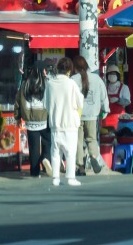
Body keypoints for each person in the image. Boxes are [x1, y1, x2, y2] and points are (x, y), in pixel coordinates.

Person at [44, 57, 83, 187]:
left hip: (55, 123)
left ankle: (55, 178)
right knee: (70, 152)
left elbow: (46, 104)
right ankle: (70, 177)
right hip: (70, 123)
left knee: (55, 152)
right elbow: (79, 102)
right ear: (69, 70)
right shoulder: (71, 84)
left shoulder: (50, 83)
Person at [71, 56, 108, 176]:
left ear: (75, 67)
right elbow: (104, 96)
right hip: (92, 115)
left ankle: (80, 166)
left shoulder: (73, 79)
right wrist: (105, 110)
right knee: (91, 139)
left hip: (77, 115)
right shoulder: (96, 79)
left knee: (78, 141)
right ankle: (93, 156)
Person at [14, 63, 53, 178]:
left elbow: (18, 102)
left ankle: (34, 171)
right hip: (44, 119)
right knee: (48, 142)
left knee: (34, 147)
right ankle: (46, 158)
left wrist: (17, 117)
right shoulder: (47, 84)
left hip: (30, 121)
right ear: (42, 71)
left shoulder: (25, 84)